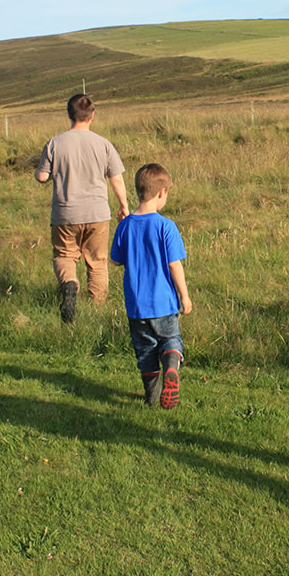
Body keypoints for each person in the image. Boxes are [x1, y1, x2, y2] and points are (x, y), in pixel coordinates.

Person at [35, 94, 129, 323]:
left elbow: (41, 177)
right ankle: (96, 310)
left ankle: (70, 283)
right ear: (92, 116)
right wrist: (124, 206)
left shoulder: (55, 143)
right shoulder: (103, 144)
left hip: (65, 213)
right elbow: (116, 179)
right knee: (97, 262)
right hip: (97, 213)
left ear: (69, 114)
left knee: (64, 255)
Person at [110, 163, 193, 409]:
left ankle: (152, 397)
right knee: (171, 341)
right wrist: (185, 296)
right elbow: (175, 265)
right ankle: (171, 365)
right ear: (161, 194)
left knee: (145, 351)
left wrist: (121, 228)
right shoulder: (166, 226)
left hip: (136, 306)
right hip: (164, 303)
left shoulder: (125, 225)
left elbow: (116, 260)